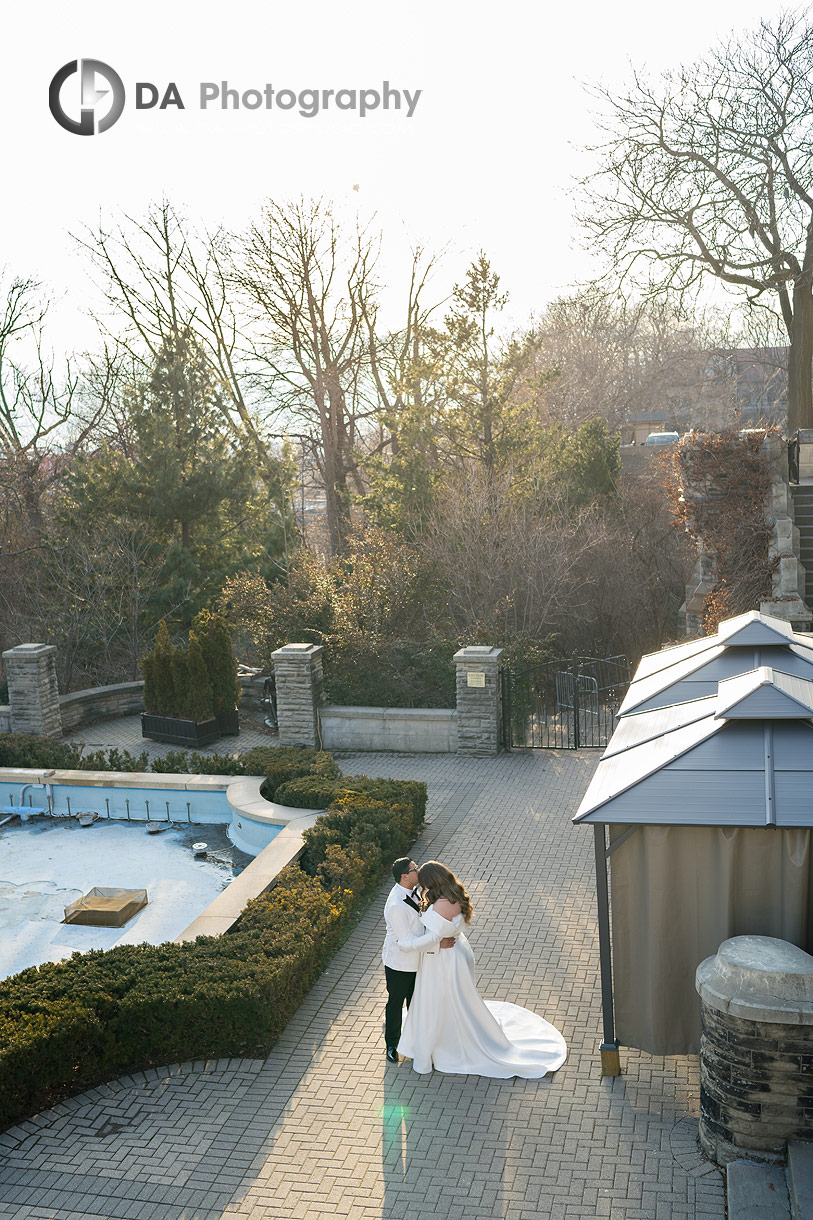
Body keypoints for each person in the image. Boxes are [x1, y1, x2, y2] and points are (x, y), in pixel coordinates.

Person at [396, 861, 567, 1078]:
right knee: (457, 997)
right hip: (458, 952)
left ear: (431, 882)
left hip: (443, 958)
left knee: (438, 1000)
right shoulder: (454, 894)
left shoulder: (439, 905)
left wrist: (427, 941)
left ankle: (441, 1044)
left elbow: (434, 937)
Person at [381, 857, 454, 1063]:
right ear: (405, 876)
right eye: (414, 869)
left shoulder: (414, 892)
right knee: (396, 1003)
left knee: (417, 1002)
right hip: (400, 964)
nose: (419, 871)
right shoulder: (396, 905)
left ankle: (417, 1041)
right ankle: (392, 1044)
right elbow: (405, 943)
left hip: (420, 960)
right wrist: (436, 942)